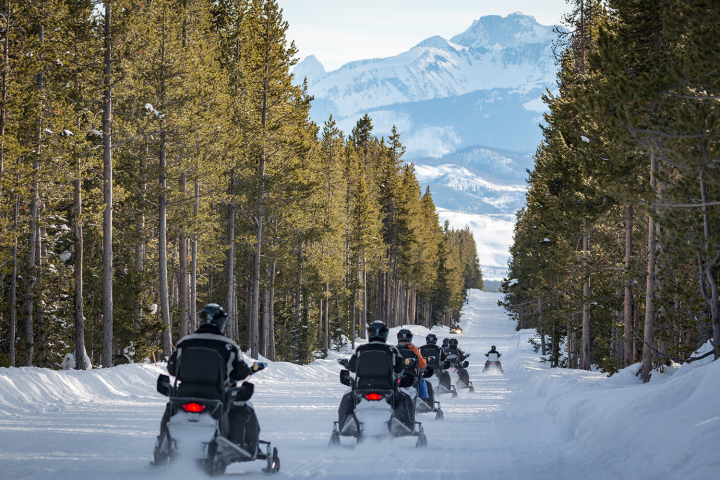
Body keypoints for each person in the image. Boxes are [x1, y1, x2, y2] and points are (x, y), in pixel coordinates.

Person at [159, 304, 263, 451]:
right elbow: (240, 373)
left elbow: (172, 368)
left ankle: (162, 446)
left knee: (171, 407)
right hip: (216, 395)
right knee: (241, 408)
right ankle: (240, 446)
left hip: (185, 394)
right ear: (221, 322)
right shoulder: (229, 346)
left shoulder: (185, 343)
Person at [338, 321, 415, 430]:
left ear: (369, 333)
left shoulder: (361, 350)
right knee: (404, 398)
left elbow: (351, 367)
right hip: (387, 388)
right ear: (385, 334)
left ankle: (343, 424)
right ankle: (407, 425)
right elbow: (399, 368)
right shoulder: (392, 350)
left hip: (363, 388)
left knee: (348, 398)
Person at [395, 329, 428, 399]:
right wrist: (425, 361)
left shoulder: (395, 349)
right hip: (411, 376)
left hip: (397, 376)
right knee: (421, 381)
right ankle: (425, 399)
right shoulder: (414, 349)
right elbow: (421, 364)